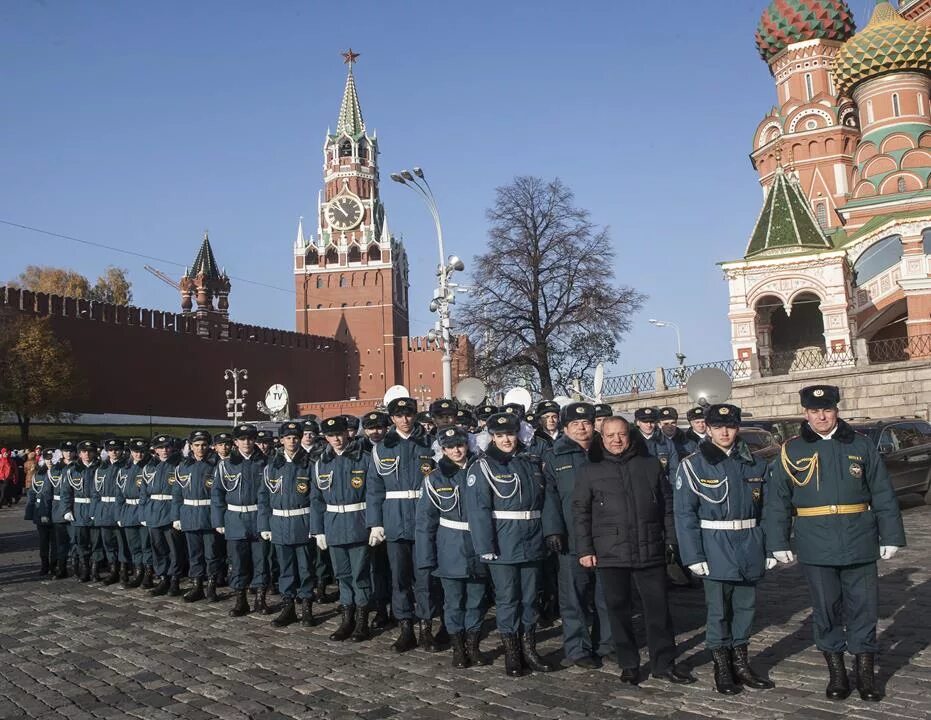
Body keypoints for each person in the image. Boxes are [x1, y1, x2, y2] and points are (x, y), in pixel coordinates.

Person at [764, 385, 906, 702]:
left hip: (859, 539)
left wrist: (891, 535)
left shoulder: (861, 444)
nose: (821, 416)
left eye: (827, 410)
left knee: (864, 608)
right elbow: (777, 501)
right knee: (826, 609)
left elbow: (882, 491)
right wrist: (776, 541)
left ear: (836, 411)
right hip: (815, 543)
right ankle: (838, 675)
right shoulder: (793, 450)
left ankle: (866, 675)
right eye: (815, 411)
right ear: (806, 414)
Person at [573, 416, 694, 686]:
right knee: (618, 610)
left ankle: (664, 663)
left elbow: (667, 505)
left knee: (658, 610)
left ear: (630, 435)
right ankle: (628, 663)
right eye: (610, 435)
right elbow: (580, 513)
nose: (617, 440)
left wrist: (672, 540)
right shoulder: (589, 470)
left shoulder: (650, 465)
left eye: (621, 434)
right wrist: (585, 548)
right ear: (601, 438)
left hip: (650, 547)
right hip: (610, 551)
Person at [673, 404, 774, 694]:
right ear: (708, 427)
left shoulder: (755, 464)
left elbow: (767, 510)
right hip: (715, 546)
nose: (725, 431)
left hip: (749, 543)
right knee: (718, 611)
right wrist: (693, 555)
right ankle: (722, 667)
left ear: (737, 427)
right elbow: (685, 514)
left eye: (730, 426)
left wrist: (769, 548)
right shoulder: (693, 465)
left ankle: (741, 664)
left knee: (745, 608)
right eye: (718, 426)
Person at [466, 412, 552, 677]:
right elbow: (478, 510)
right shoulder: (483, 466)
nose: (506, 440)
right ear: (491, 436)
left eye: (510, 434)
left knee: (529, 598)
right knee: (507, 599)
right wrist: (485, 546)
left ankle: (529, 649)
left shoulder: (531, 461)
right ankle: (512, 653)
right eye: (500, 435)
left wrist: (547, 535)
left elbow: (544, 502)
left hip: (532, 538)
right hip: (503, 543)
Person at [368, 396, 444, 653]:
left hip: (424, 518)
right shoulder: (381, 448)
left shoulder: (429, 443)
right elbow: (374, 489)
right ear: (392, 419)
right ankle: (405, 628)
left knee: (425, 577)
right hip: (395, 519)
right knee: (399, 578)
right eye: (399, 415)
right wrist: (376, 523)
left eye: (409, 414)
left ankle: (426, 628)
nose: (404, 419)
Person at [542, 402, 612, 669]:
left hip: (606, 534)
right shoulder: (554, 456)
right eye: (575, 424)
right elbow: (549, 496)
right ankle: (578, 647)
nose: (582, 428)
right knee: (574, 597)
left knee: (607, 595)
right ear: (565, 427)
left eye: (587, 423)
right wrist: (553, 529)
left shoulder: (605, 452)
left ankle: (607, 643)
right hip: (571, 537)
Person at [416, 426, 489, 668]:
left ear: (467, 444)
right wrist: (426, 558)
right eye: (450, 447)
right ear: (443, 450)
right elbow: (425, 521)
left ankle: (473, 646)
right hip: (450, 547)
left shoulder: (481, 470)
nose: (456, 450)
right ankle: (458, 648)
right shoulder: (435, 478)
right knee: (453, 601)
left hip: (479, 545)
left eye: (460, 444)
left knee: (477, 600)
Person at [310, 416, 374, 640]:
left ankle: (363, 621)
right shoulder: (320, 464)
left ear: (347, 433)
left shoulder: (364, 459)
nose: (336, 439)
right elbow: (316, 500)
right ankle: (348, 618)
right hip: (334, 525)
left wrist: (375, 524)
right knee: (343, 575)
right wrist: (318, 530)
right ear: (325, 438)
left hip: (359, 523)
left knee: (360, 575)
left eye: (339, 433)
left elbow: (373, 494)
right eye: (330, 435)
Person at [259, 421, 318, 628]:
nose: (292, 441)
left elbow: (316, 498)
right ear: (281, 440)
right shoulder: (272, 467)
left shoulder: (310, 465)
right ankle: (288, 607)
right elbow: (264, 498)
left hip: (302, 521)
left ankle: (307, 607)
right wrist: (264, 525)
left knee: (305, 567)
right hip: (279, 523)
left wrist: (315, 527)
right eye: (288, 438)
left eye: (295, 437)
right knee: (285, 568)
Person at [212, 423, 270, 617]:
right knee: (237, 561)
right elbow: (217, 494)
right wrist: (218, 520)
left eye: (250, 439)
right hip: (235, 518)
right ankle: (241, 600)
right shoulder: (225, 464)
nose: (247, 442)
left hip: (258, 516)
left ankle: (260, 598)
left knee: (261, 559)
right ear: (235, 442)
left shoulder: (266, 463)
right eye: (242, 439)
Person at [172, 430, 222, 602]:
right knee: (194, 554)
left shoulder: (216, 465)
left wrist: (218, 519)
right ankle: (197, 585)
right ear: (190, 446)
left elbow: (220, 495)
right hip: (189, 516)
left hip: (209, 516)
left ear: (209, 446)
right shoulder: (183, 466)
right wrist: (176, 517)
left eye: (204, 445)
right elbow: (177, 494)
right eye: (197, 445)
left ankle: (212, 586)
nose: (200, 448)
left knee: (212, 554)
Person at [141, 435, 185, 597]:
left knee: (174, 548)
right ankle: (163, 578)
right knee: (158, 547)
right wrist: (144, 513)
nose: (164, 451)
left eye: (167, 447)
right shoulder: (149, 467)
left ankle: (174, 580)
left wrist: (177, 516)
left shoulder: (179, 465)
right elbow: (144, 493)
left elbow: (180, 492)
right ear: (155, 449)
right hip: (153, 511)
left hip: (170, 511)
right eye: (160, 448)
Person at [116, 438, 155, 588]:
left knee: (146, 545)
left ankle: (148, 574)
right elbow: (119, 494)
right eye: (136, 452)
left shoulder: (150, 467)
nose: (139, 454)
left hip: (143, 508)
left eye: (142, 452)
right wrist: (119, 514)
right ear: (131, 452)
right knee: (134, 545)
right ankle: (138, 572)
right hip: (128, 510)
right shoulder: (124, 469)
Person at [61, 440, 102, 582]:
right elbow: (66, 492)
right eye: (84, 451)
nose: (87, 454)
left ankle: (95, 570)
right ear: (79, 453)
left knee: (97, 542)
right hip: (79, 510)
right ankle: (84, 569)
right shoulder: (72, 469)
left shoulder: (101, 468)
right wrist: (67, 509)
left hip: (96, 508)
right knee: (81, 543)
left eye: (90, 451)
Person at [94, 439, 128, 585]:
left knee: (122, 542)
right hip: (104, 509)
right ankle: (113, 570)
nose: (114, 452)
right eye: (111, 449)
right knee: (108, 543)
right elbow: (95, 492)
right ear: (106, 451)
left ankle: (124, 570)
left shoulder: (126, 466)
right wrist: (94, 511)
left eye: (117, 449)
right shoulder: (101, 468)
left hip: (119, 507)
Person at [25, 449, 56, 576]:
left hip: (55, 511)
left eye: (52, 458)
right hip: (40, 511)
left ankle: (54, 565)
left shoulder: (59, 472)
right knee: (43, 541)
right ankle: (44, 565)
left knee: (55, 541)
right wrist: (29, 511)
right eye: (47, 458)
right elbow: (32, 493)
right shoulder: (38, 474)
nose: (49, 461)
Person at [633, 407, 679, 479]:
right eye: (645, 422)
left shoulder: (666, 442)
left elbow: (674, 469)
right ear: (638, 423)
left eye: (651, 422)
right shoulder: (632, 442)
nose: (649, 425)